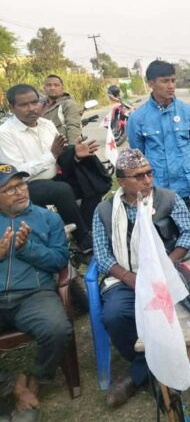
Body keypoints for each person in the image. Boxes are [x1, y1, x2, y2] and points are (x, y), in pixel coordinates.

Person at [92, 148, 190, 408]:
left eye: (149, 173)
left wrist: (166, 264)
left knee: (177, 312)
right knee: (114, 316)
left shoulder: (168, 199)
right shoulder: (105, 210)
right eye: (138, 176)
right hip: (125, 279)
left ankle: (139, 374)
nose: (147, 180)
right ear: (121, 181)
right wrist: (129, 278)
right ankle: (153, 369)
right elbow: (102, 255)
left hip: (165, 275)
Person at [0, 164, 72, 422]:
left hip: (34, 295)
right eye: (9, 189)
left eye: (21, 184)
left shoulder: (48, 219)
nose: (20, 191)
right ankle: (12, 386)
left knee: (57, 329)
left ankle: (35, 379)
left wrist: (27, 248)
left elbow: (59, 260)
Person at [0, 84, 107, 254]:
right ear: (12, 108)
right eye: (24, 105)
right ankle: (83, 239)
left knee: (92, 180)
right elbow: (16, 173)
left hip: (54, 176)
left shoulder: (46, 124)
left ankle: (88, 227)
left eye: (35, 102)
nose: (31, 108)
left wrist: (75, 153)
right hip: (26, 185)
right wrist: (51, 155)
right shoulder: (5, 133)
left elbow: (59, 154)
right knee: (61, 190)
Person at [127, 60, 190, 238]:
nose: (171, 86)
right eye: (164, 81)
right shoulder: (138, 118)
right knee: (163, 239)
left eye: (173, 80)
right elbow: (138, 155)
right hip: (158, 190)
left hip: (188, 188)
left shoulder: (188, 112)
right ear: (151, 84)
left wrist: (186, 167)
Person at [40, 75, 84, 145]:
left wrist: (72, 148)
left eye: (56, 85)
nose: (52, 88)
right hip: (43, 146)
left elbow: (73, 127)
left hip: (61, 147)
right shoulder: (39, 105)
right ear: (44, 88)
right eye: (48, 85)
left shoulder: (68, 104)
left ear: (62, 87)